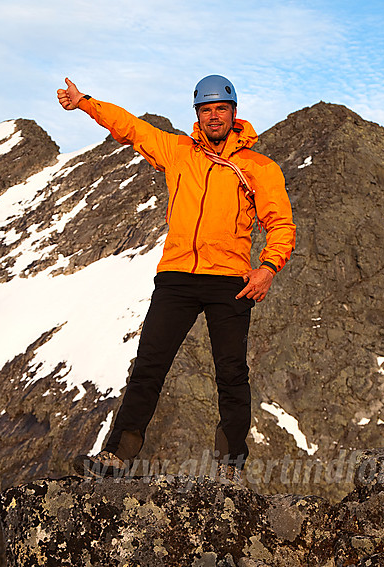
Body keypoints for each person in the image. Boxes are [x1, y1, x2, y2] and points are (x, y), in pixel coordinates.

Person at [58, 75, 296, 483]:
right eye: (206, 109)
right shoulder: (178, 151)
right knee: (149, 365)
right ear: (198, 115)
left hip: (229, 281)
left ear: (234, 113)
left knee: (231, 373)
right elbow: (132, 127)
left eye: (221, 108)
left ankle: (230, 467)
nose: (214, 115)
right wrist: (84, 103)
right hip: (176, 277)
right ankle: (118, 456)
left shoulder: (259, 167)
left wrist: (268, 268)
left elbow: (282, 225)